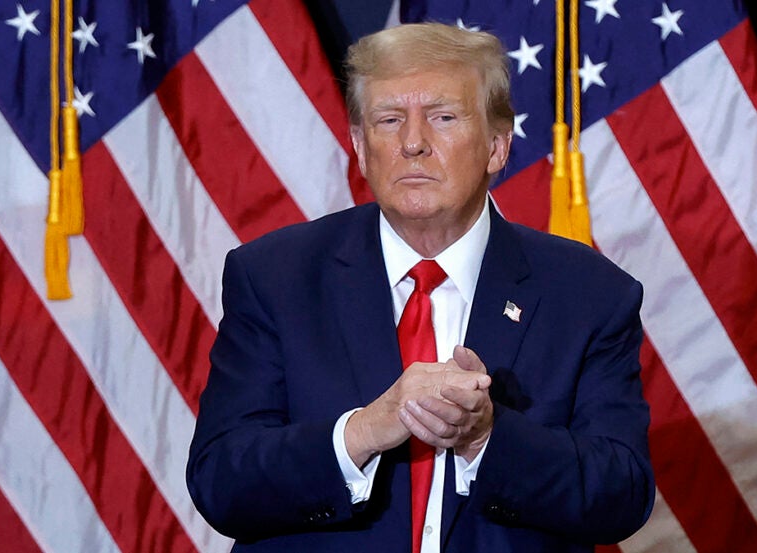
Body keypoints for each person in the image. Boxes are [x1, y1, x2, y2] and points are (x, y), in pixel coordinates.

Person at [186, 22, 653, 553]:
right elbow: (220, 481)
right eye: (389, 120)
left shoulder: (589, 293)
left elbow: (623, 495)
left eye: (443, 117)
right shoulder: (274, 277)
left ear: (497, 147)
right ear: (361, 148)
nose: (412, 143)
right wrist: (362, 432)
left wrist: (486, 438)